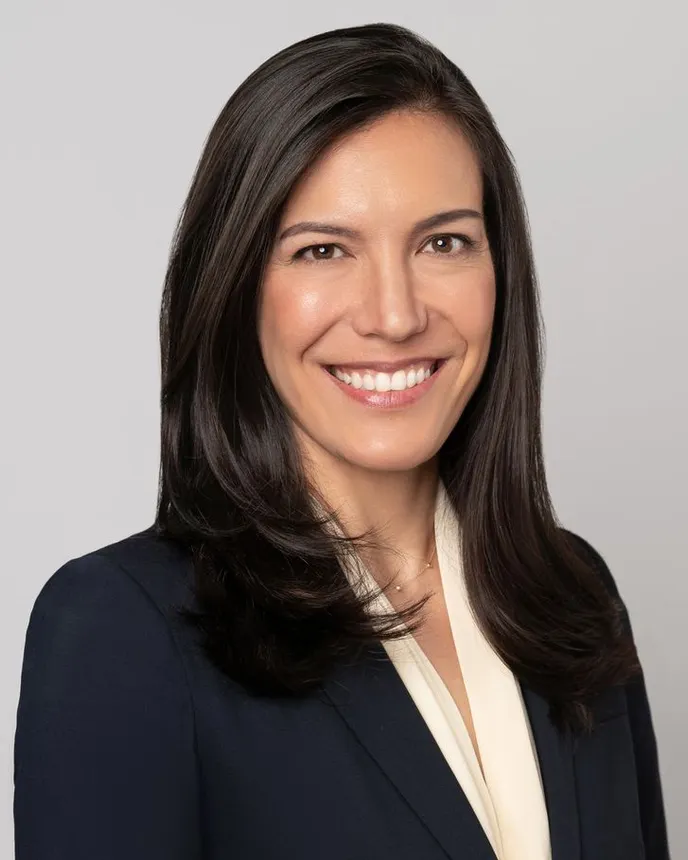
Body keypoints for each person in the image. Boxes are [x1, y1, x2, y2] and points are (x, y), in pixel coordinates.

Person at [13, 21, 670, 860]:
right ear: (237, 289)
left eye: (444, 242)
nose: (394, 315)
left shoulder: (571, 597)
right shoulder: (126, 630)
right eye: (323, 250)